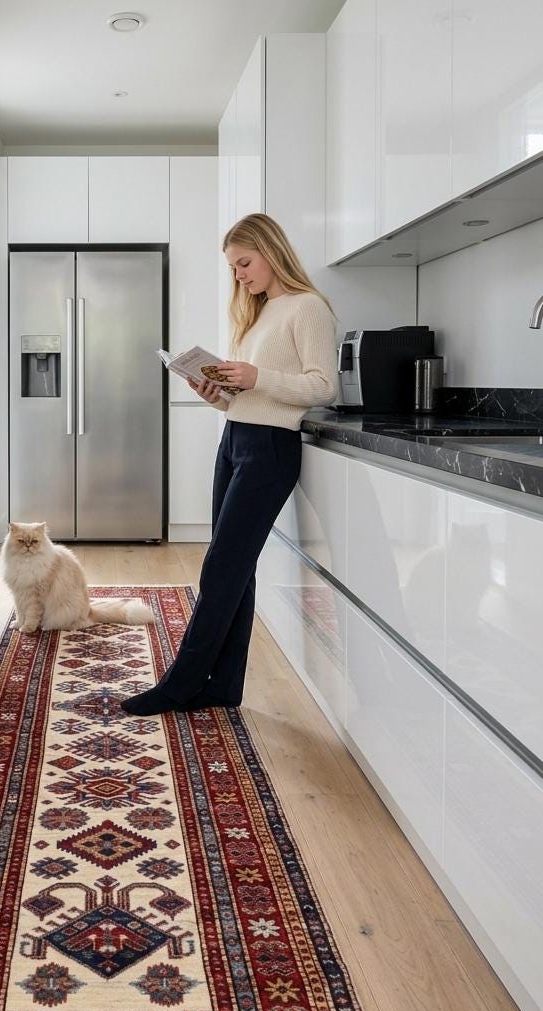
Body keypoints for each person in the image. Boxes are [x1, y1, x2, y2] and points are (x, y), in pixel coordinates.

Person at [121, 212, 338, 716]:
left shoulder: (308, 307)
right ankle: (223, 685)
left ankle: (179, 685)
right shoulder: (257, 314)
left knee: (221, 567)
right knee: (235, 569)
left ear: (271, 251)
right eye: (233, 268)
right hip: (236, 439)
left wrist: (256, 376)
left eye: (244, 263)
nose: (238, 275)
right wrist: (216, 394)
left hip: (270, 449)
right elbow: (247, 399)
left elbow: (324, 386)